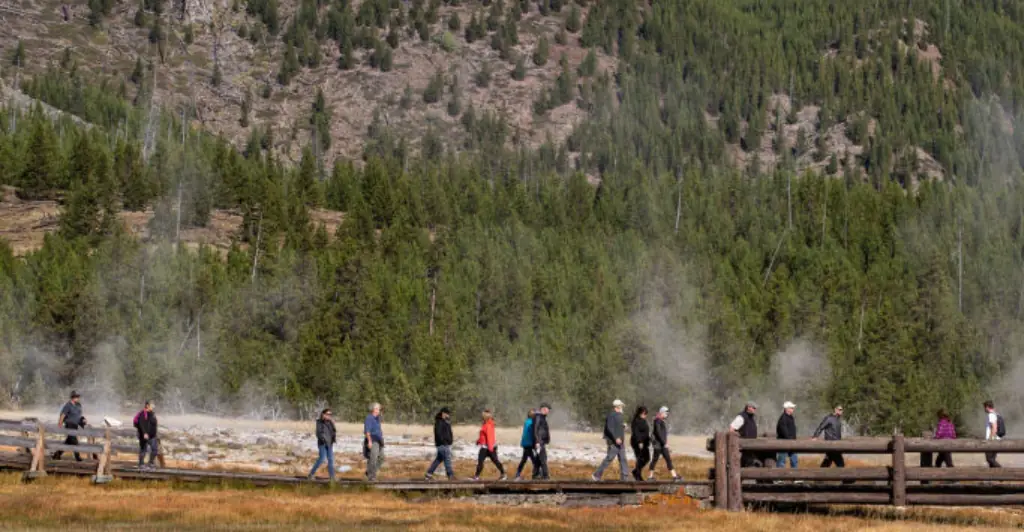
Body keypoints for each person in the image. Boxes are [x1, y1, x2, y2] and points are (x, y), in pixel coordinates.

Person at [592, 399, 629, 481]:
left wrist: (623, 426)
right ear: (617, 406)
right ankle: (596, 475)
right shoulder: (612, 415)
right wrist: (616, 438)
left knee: (623, 459)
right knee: (609, 458)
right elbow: (610, 428)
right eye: (621, 406)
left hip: (620, 442)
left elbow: (617, 427)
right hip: (614, 442)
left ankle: (625, 478)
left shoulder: (619, 415)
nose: (622, 407)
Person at [472, 409, 506, 480]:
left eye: (482, 415)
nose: (481, 417)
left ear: (485, 416)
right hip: (485, 446)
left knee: (495, 461)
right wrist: (478, 441)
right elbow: (483, 436)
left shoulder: (488, 425)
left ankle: (503, 474)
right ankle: (476, 476)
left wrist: (490, 448)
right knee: (481, 461)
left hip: (489, 447)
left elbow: (490, 437)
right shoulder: (485, 424)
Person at [649, 406, 679, 481]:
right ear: (662, 412)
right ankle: (650, 477)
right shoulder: (657, 421)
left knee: (668, 460)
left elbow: (661, 433)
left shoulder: (660, 420)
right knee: (655, 460)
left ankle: (675, 476)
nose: (667, 415)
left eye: (667, 413)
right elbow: (658, 433)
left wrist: (665, 443)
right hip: (659, 445)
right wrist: (664, 443)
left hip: (662, 444)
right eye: (666, 413)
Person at [53, 390, 84, 461]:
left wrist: (83, 421)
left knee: (68, 442)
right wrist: (60, 424)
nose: (77, 398)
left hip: (75, 425)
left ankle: (57, 454)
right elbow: (63, 415)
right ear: (72, 397)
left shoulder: (78, 405)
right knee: (74, 442)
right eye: (76, 396)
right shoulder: (68, 405)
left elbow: (79, 415)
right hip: (69, 425)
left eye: (78, 396)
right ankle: (78, 458)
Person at [425, 407, 455, 480]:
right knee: (447, 459)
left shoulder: (446, 421)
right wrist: (444, 441)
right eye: (447, 414)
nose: (449, 415)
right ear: (443, 413)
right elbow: (438, 433)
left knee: (438, 459)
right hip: (442, 444)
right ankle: (450, 475)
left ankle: (428, 474)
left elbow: (449, 432)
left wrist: (450, 440)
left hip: (446, 444)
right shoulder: (439, 422)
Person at [812, 405, 845, 469]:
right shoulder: (829, 418)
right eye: (840, 409)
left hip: (837, 445)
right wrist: (815, 436)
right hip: (831, 445)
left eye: (842, 410)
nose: (841, 411)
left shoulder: (838, 419)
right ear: (835, 410)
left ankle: (818, 477)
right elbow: (821, 427)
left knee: (827, 462)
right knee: (840, 464)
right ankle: (846, 478)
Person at [308, 408, 336, 481]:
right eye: (328, 414)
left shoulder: (330, 422)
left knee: (330, 460)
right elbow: (318, 433)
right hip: (322, 443)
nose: (329, 416)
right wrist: (323, 440)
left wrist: (333, 424)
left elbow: (333, 432)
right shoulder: (319, 422)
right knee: (322, 458)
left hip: (329, 443)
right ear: (323, 414)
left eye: (330, 414)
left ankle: (332, 477)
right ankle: (311, 474)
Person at [729, 401, 760, 466]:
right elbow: (732, 429)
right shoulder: (741, 417)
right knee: (743, 464)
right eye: (754, 408)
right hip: (743, 446)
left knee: (748, 463)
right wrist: (736, 444)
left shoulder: (751, 417)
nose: (755, 409)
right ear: (748, 407)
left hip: (749, 446)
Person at [133, 400, 159, 470]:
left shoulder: (152, 413)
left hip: (152, 436)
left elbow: (153, 424)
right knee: (143, 450)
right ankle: (141, 464)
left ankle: (150, 463)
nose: (154, 406)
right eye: (152, 404)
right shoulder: (143, 413)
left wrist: (155, 433)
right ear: (147, 405)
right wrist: (144, 433)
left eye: (154, 404)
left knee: (155, 450)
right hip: (144, 435)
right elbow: (141, 424)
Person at [514, 408, 538, 481]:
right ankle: (536, 474)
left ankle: (518, 474)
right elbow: (533, 434)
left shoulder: (526, 422)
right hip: (529, 443)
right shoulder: (532, 423)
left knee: (526, 459)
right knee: (533, 460)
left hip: (526, 443)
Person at [364, 402, 385, 480]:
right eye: (377, 408)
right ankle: (371, 476)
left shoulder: (377, 418)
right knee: (373, 458)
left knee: (382, 458)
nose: (379, 410)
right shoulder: (369, 418)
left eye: (379, 408)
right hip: (373, 440)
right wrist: (369, 441)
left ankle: (369, 472)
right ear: (373, 409)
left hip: (379, 440)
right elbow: (367, 431)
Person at [630, 406, 651, 481]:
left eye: (646, 414)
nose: (645, 415)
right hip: (638, 443)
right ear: (640, 413)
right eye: (644, 414)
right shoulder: (636, 421)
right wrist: (639, 442)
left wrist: (649, 440)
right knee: (640, 459)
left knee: (647, 458)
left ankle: (636, 471)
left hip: (645, 443)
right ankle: (638, 475)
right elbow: (636, 432)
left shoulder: (644, 420)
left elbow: (645, 432)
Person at [775, 401, 798, 469]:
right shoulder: (783, 418)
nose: (793, 409)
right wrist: (790, 440)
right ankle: (778, 477)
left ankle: (795, 476)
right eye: (791, 408)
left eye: (793, 408)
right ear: (787, 409)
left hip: (791, 442)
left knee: (794, 460)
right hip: (784, 443)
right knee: (781, 461)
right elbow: (784, 432)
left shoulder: (790, 417)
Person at [532, 403, 551, 479]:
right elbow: (535, 430)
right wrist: (537, 442)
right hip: (539, 442)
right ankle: (546, 476)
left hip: (541, 442)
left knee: (538, 459)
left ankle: (535, 474)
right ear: (543, 409)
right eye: (547, 409)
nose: (548, 411)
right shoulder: (538, 417)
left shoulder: (541, 417)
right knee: (543, 458)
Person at [984, 400, 1002, 468]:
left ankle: (1002, 472)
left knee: (989, 459)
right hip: (996, 439)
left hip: (992, 440)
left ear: (987, 407)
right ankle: (991, 477)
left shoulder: (991, 415)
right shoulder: (996, 414)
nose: (984, 409)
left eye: (984, 407)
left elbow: (994, 428)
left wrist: (990, 440)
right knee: (992, 460)